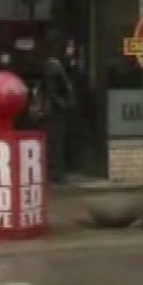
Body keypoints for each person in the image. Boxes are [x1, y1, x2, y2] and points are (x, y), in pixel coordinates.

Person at [37, 36, 86, 184]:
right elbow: (52, 92)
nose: (71, 50)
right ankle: (56, 173)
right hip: (54, 113)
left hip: (57, 112)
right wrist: (64, 104)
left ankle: (56, 172)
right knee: (55, 142)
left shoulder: (64, 65)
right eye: (69, 47)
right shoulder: (54, 66)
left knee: (58, 142)